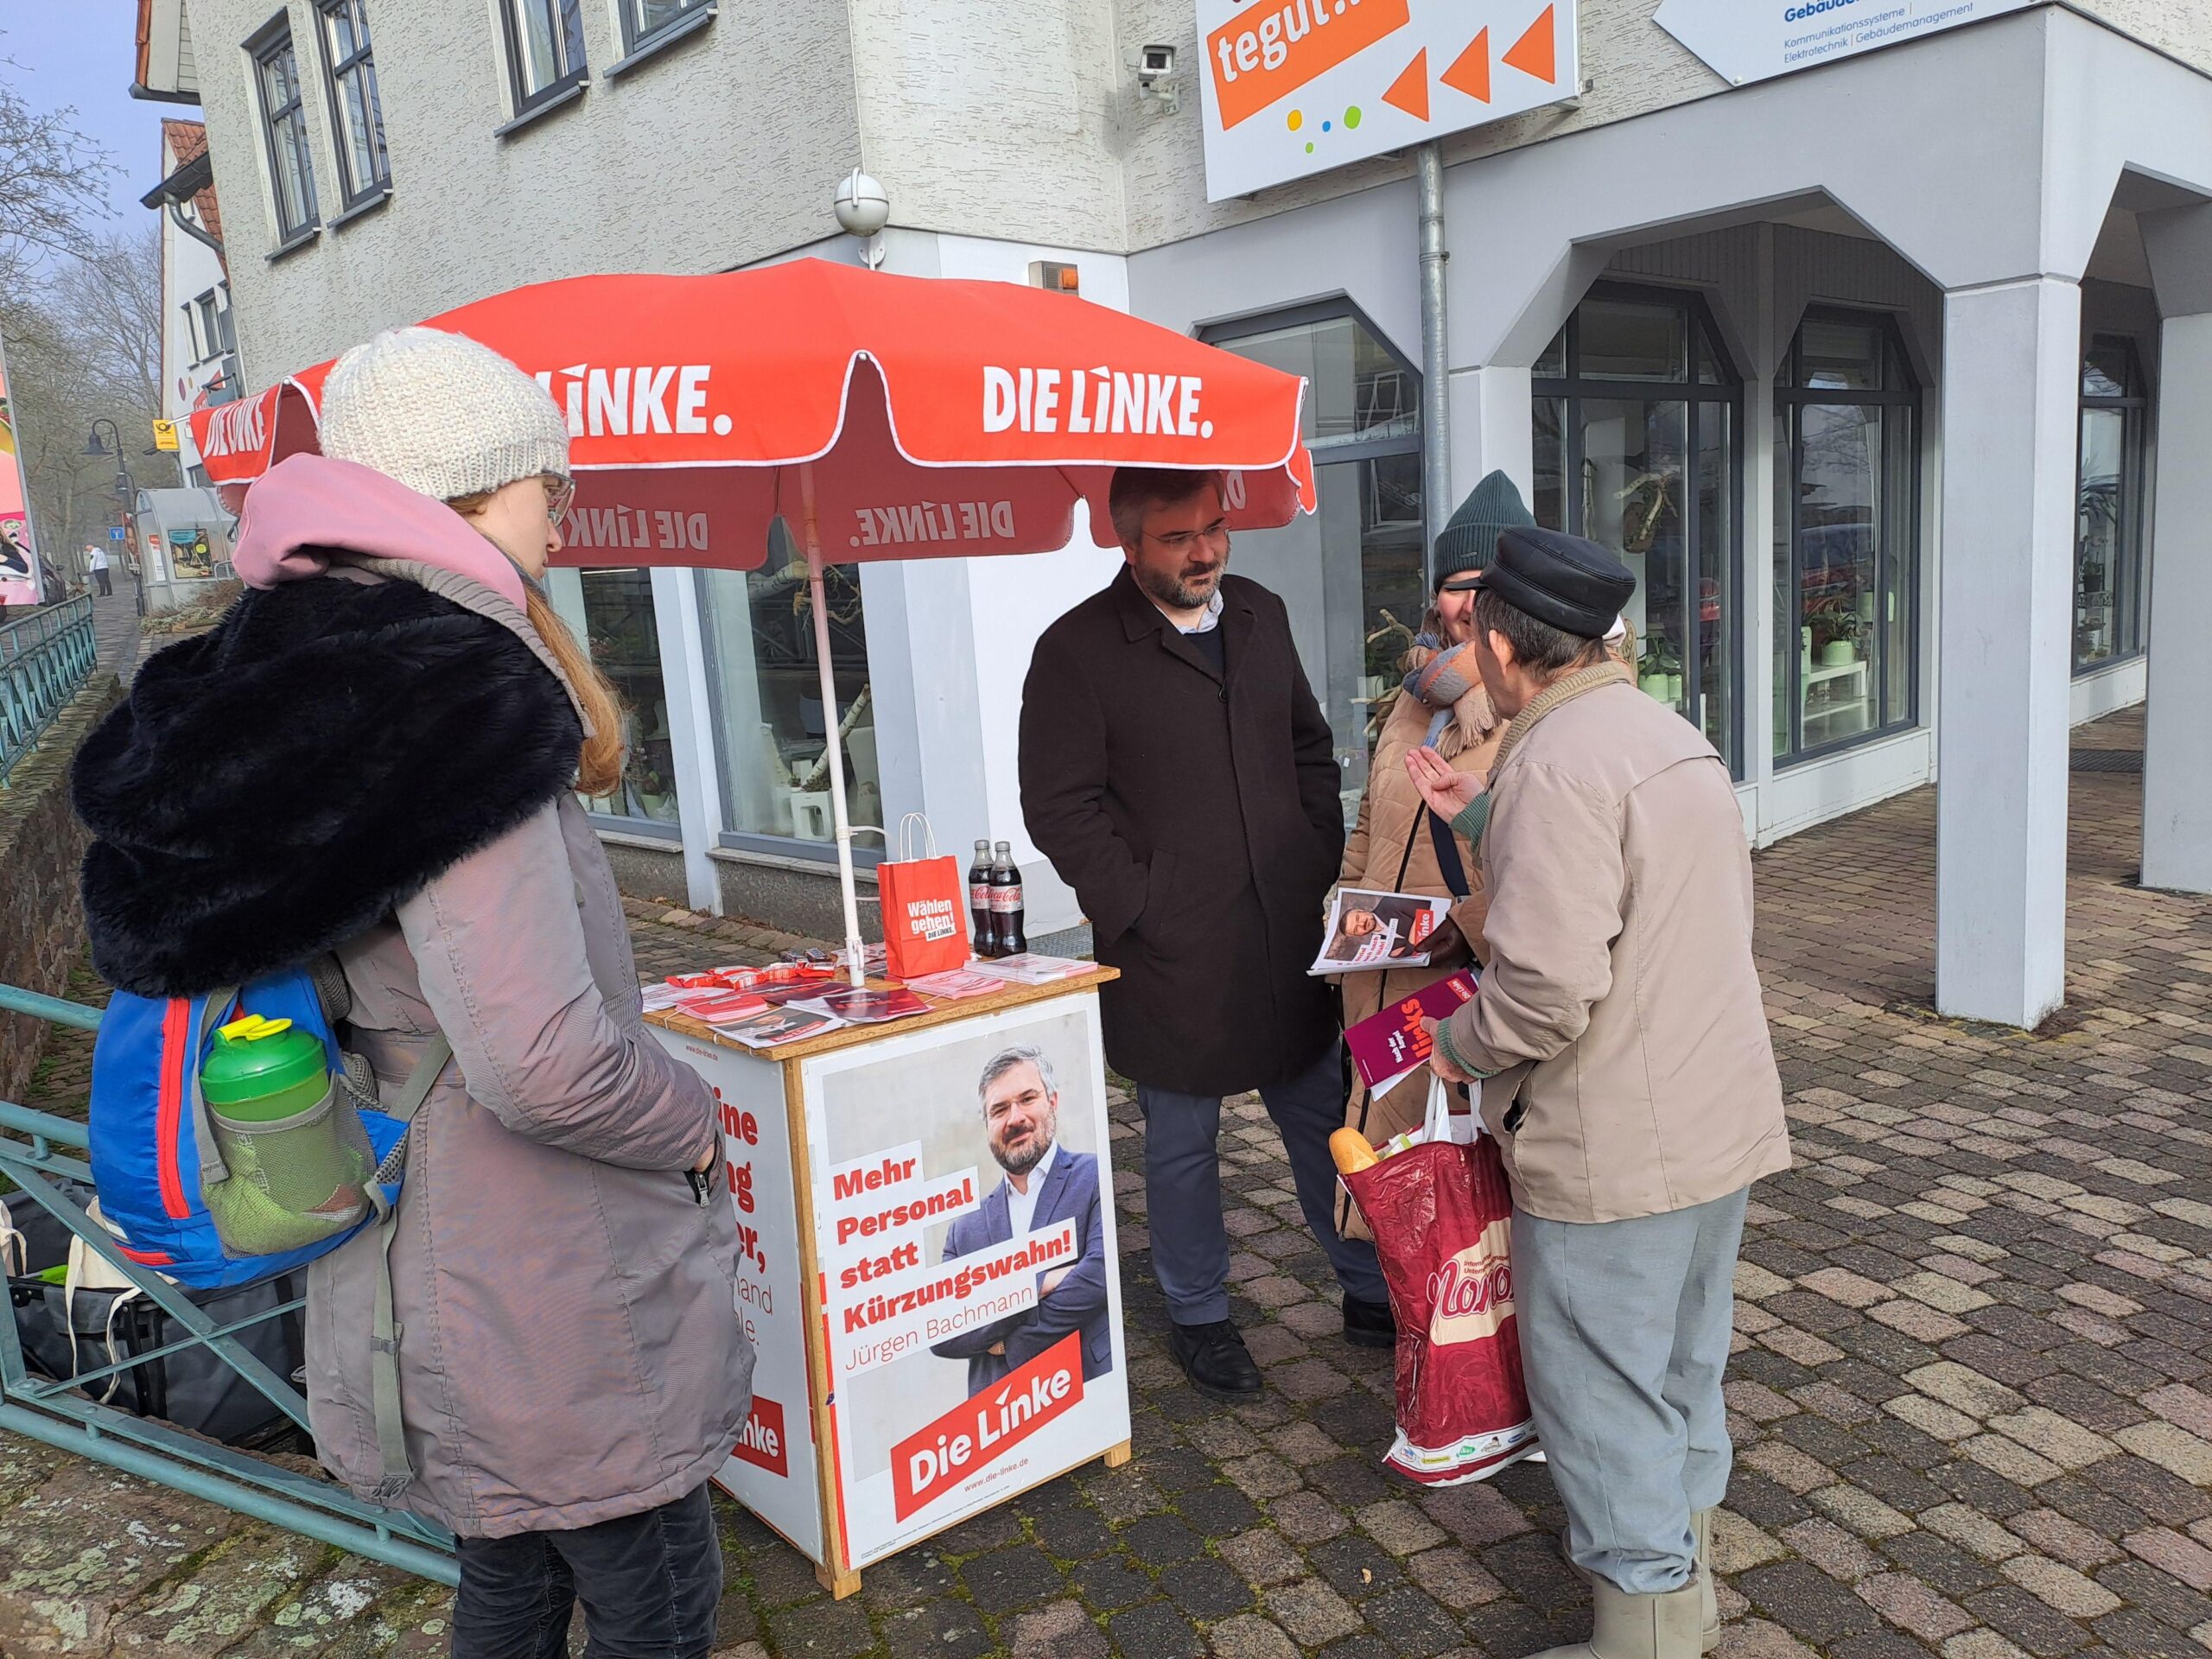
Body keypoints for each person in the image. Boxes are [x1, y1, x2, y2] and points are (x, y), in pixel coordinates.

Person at [73, 327, 753, 1659]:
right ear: (478, 491)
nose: (563, 504)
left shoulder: (296, 661)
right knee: (656, 1593)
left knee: (507, 1568)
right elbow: (541, 1059)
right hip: (541, 1272)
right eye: (546, 478)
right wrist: (689, 1120)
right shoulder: (454, 687)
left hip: (404, 1232)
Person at [1408, 525, 1791, 1659]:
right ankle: (1689, 1595)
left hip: (1615, 1143)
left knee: (1601, 1395)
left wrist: (1457, 1051)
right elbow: (1629, 876)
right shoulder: (1662, 734)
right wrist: (1485, 811)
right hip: (1713, 1118)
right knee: (1678, 1368)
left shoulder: (1553, 761)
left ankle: (1648, 1635)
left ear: (1501, 644)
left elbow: (1544, 989)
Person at [1020, 466, 1392, 1398]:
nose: (1206, 551)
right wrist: (1139, 901)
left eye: (1215, 529)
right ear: (1126, 543)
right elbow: (1058, 805)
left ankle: (1365, 1283)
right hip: (1169, 955)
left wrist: (1313, 851)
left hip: (1283, 934)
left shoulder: (1259, 613)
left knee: (1323, 1119)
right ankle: (1198, 1314)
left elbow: (1309, 746)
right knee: (1181, 1148)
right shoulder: (1076, 651)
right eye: (1180, 538)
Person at [1329, 472, 1529, 1228]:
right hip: (1382, 984)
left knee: (1473, 1187)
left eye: (1489, 586)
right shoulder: (1412, 700)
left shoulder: (1536, 708)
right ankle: (1412, 1317)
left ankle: (1472, 1332)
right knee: (1395, 1167)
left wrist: (1463, 928)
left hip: (1473, 995)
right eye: (1455, 586)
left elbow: (1557, 868)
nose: (1468, 604)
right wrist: (1343, 910)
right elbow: (1372, 824)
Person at [931, 1046, 1111, 1394]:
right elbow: (941, 1331)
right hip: (999, 1413)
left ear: (1053, 1102)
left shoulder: (1093, 1176)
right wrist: (1036, 1284)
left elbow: (1099, 1276)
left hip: (1087, 1386)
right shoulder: (964, 1229)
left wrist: (1010, 1341)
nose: (1015, 1118)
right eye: (999, 1109)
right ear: (987, 1126)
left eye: (1027, 1099)